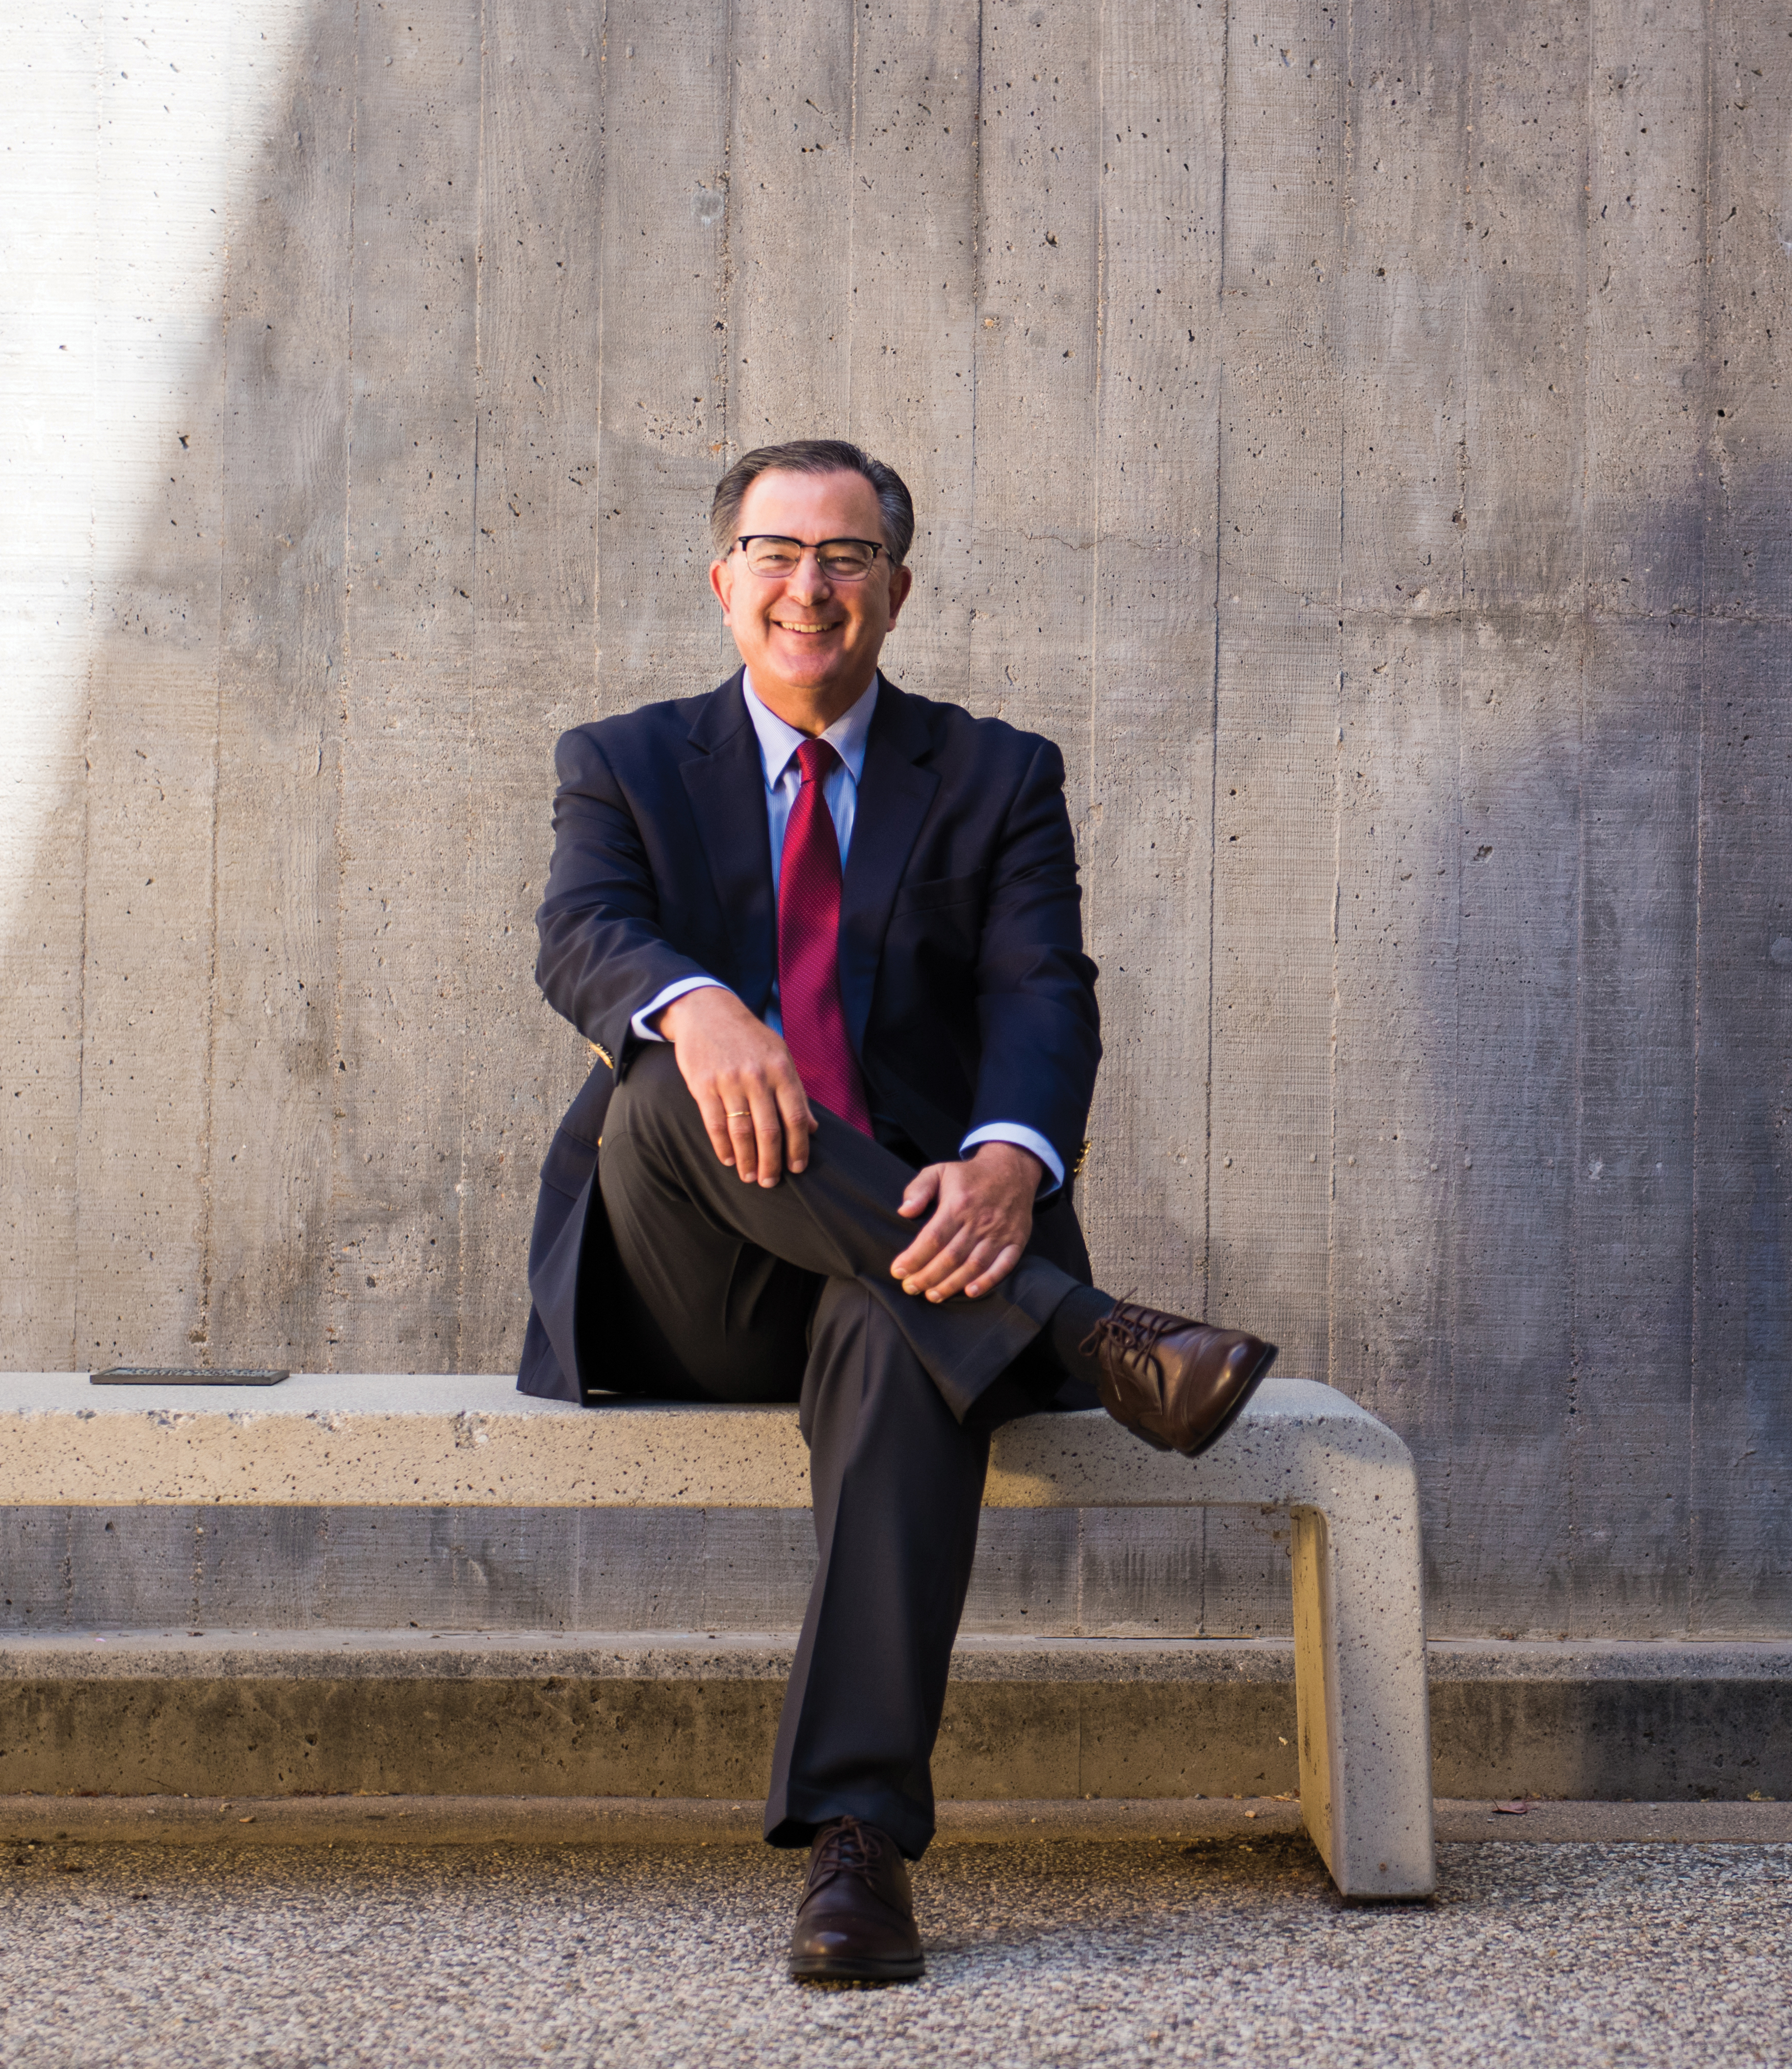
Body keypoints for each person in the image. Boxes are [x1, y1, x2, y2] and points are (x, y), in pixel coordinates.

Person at [515, 438, 1278, 1985]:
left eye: (847, 557)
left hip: (926, 1258)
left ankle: (859, 1850)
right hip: (698, 1282)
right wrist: (698, 1003)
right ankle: (1091, 1331)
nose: (811, 586)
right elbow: (586, 931)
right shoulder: (625, 759)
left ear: (898, 589)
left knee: (892, 1323)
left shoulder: (995, 772)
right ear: (723, 577)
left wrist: (1009, 1157)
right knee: (668, 1073)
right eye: (778, 552)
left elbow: (1041, 998)